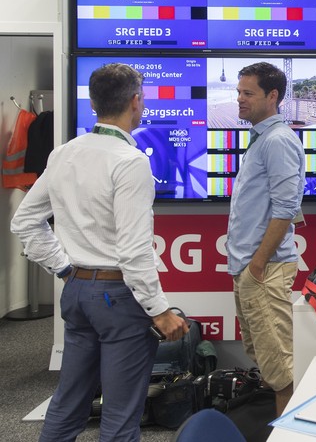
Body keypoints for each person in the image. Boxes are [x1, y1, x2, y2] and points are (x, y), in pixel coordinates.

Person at [10, 63, 188, 441]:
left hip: (76, 291)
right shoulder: (130, 162)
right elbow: (134, 249)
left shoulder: (64, 153)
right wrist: (159, 310)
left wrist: (64, 269)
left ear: (93, 103)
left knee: (67, 404)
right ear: (136, 102)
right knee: (121, 417)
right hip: (119, 298)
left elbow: (24, 222)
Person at [226, 61, 306, 418]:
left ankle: (289, 436)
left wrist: (257, 264)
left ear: (272, 97)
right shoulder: (261, 139)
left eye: (248, 93)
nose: (239, 100)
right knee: (265, 357)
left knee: (280, 368)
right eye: (239, 92)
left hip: (263, 270)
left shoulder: (277, 141)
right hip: (251, 269)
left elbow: (286, 207)